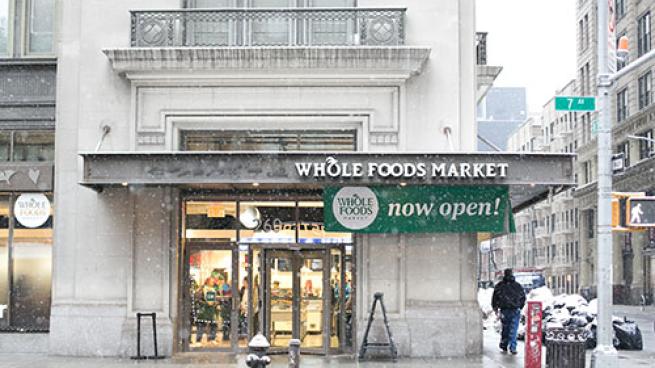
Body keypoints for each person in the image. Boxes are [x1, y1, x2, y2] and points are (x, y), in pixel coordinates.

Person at [492, 268, 526, 355]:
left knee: (505, 328)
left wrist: (495, 307)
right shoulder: (517, 286)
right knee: (513, 329)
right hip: (515, 310)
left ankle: (504, 343)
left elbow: (494, 298)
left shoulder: (499, 286)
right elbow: (523, 298)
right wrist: (519, 306)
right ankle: (512, 347)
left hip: (504, 310)